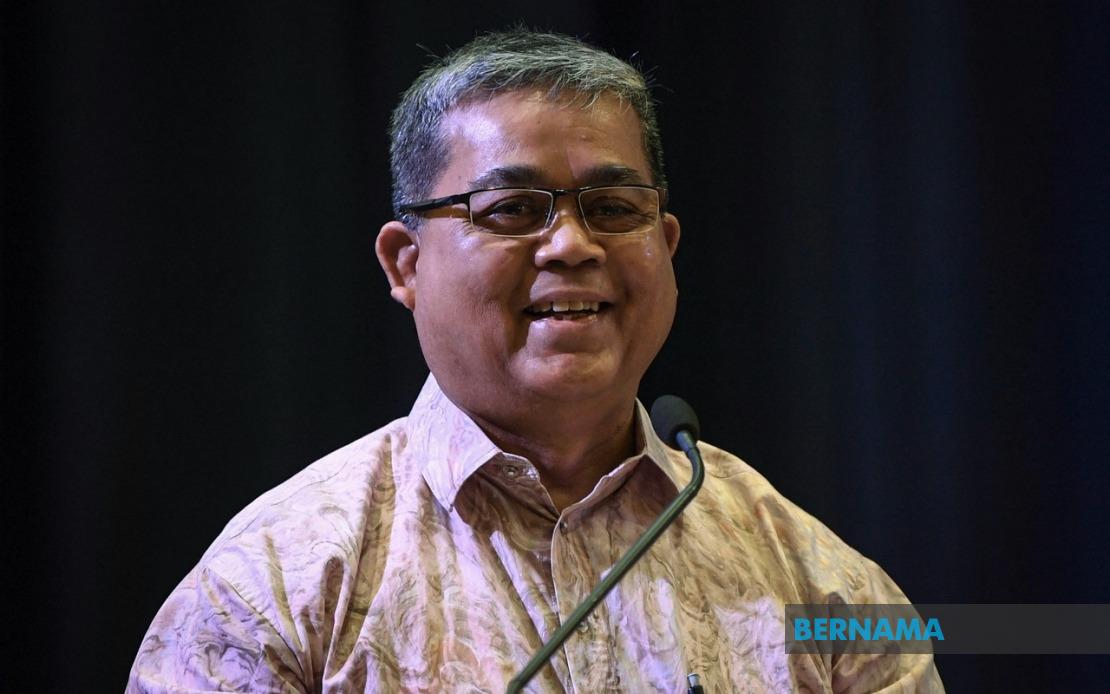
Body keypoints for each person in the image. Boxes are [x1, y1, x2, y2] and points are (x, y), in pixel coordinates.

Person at [128, 30, 943, 693]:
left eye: (614, 208)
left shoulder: (824, 590)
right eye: (514, 209)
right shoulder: (268, 590)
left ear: (665, 248)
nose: (573, 245)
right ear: (406, 264)